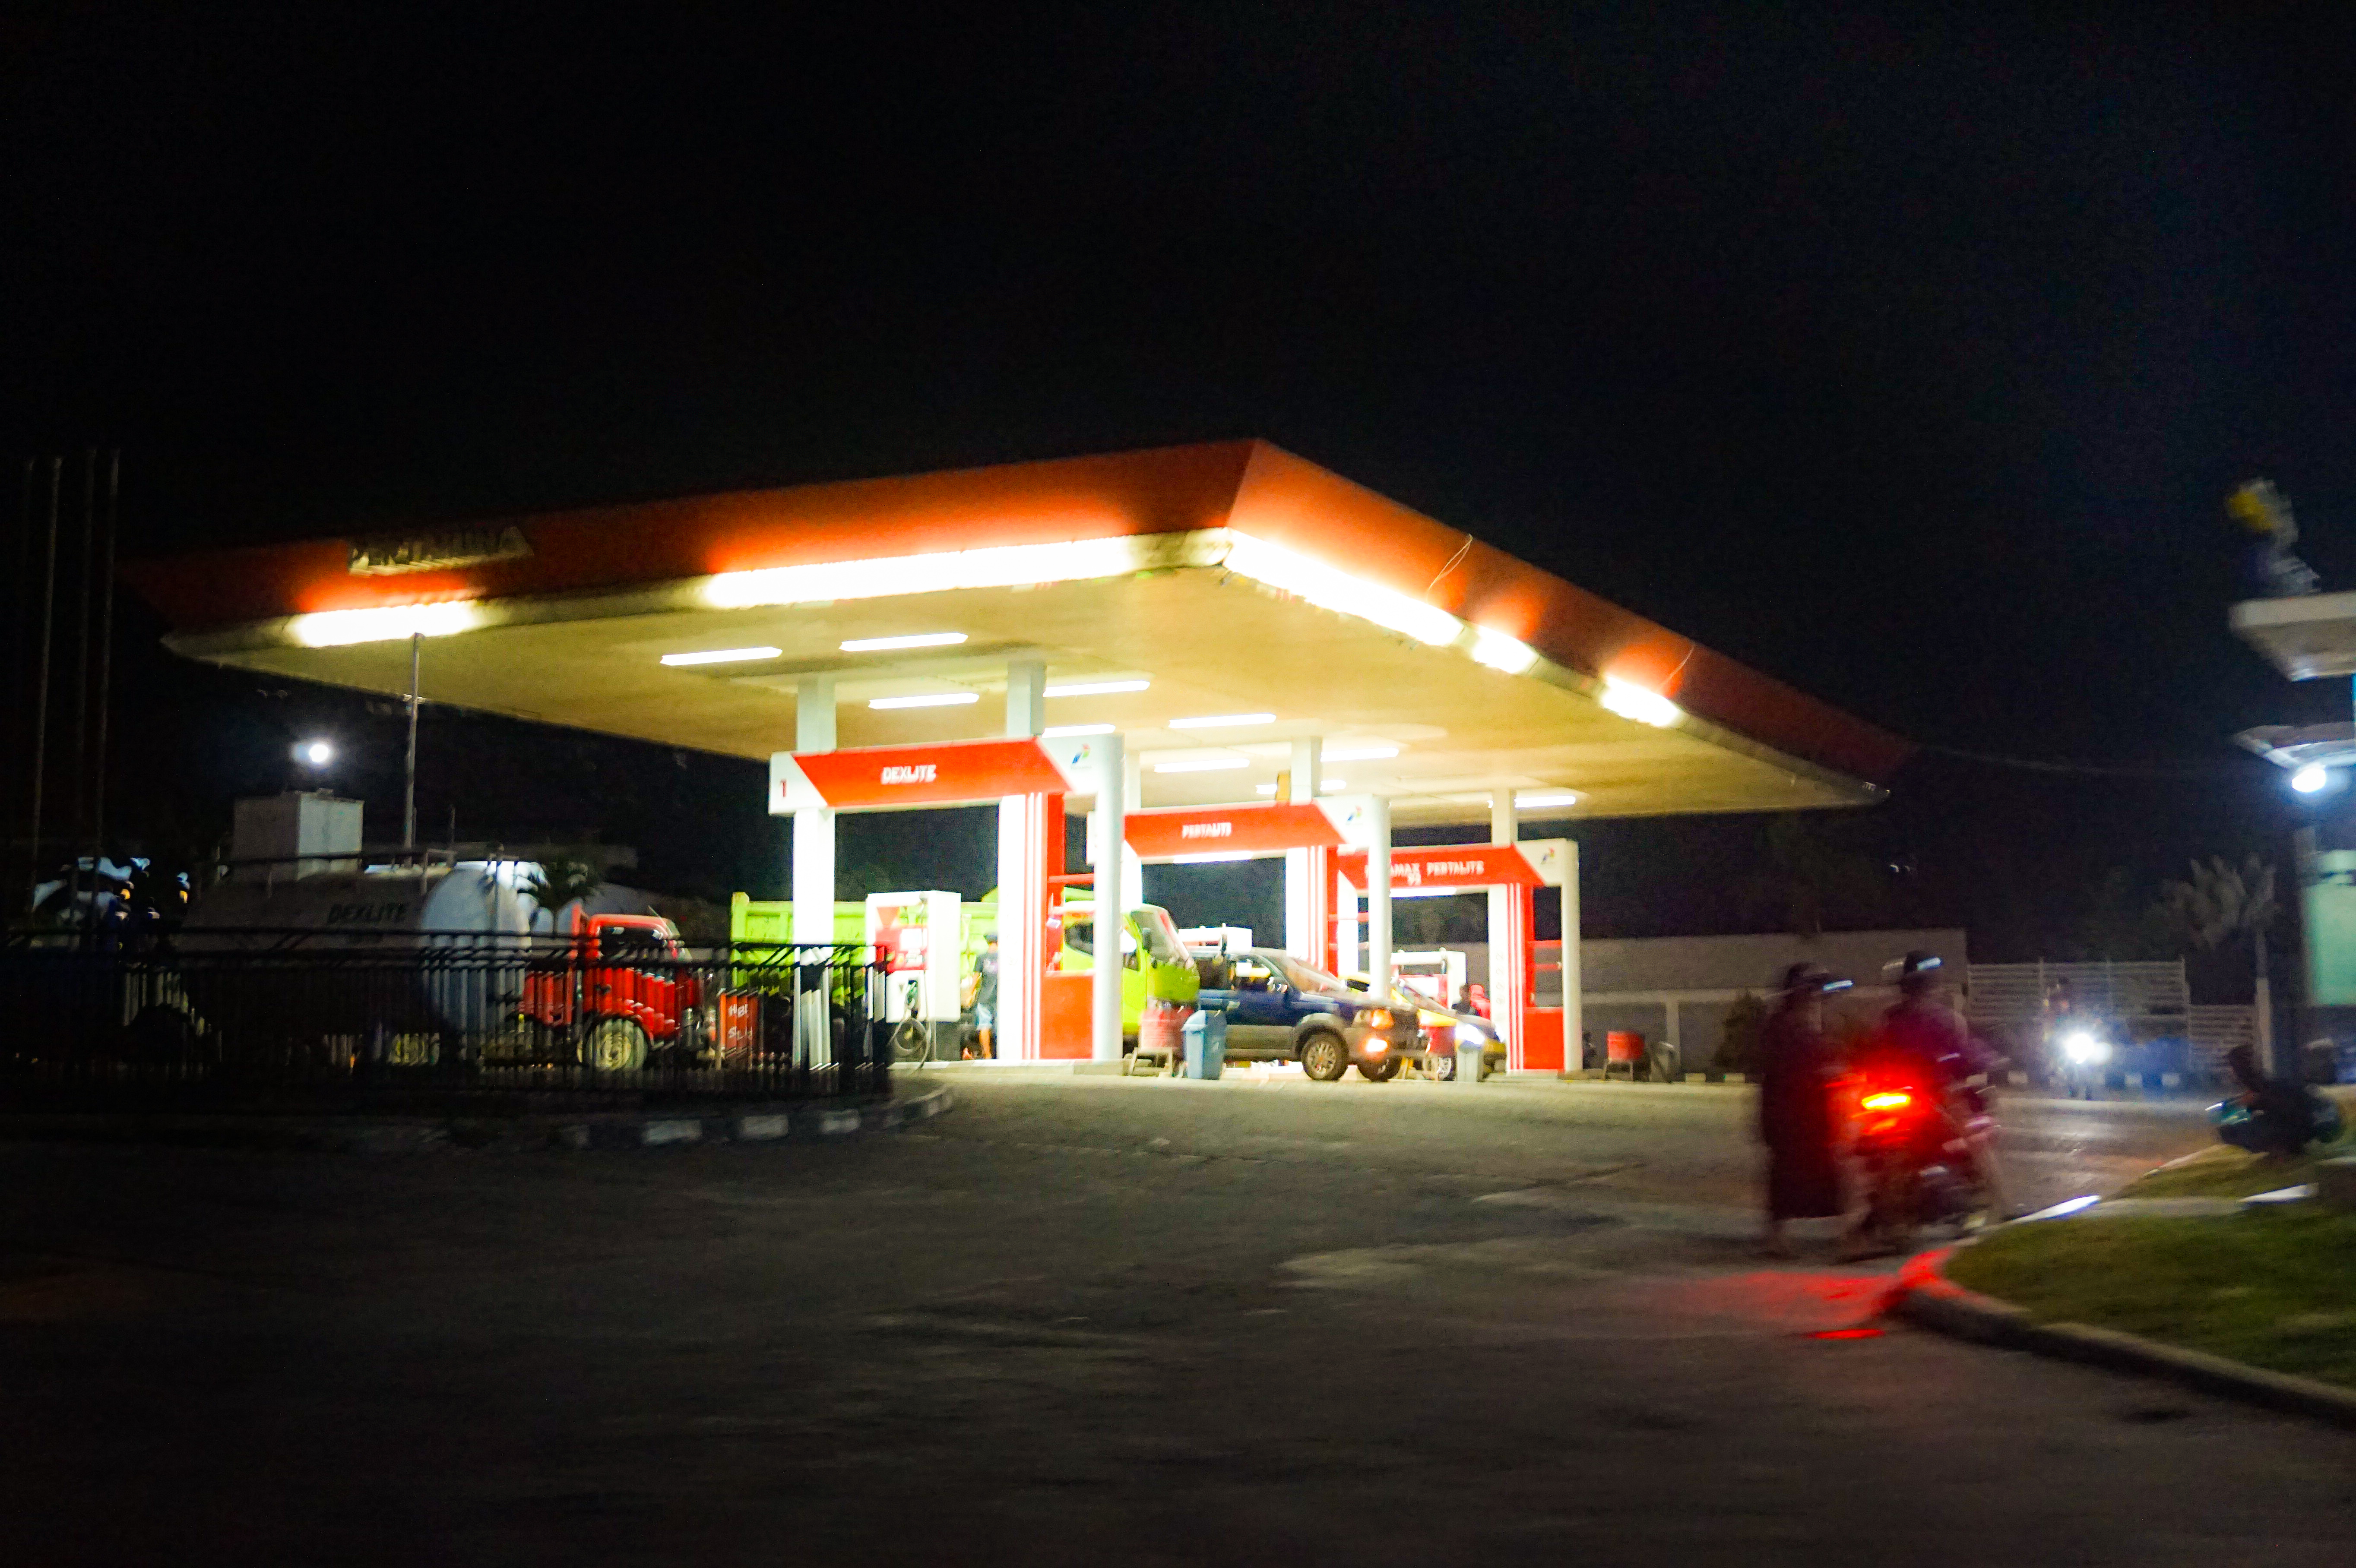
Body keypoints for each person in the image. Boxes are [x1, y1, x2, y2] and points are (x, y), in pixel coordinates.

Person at [1757, 963, 1850, 1258]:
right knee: (1791, 1174)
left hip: (1806, 1112)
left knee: (1821, 1172)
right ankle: (1779, 1239)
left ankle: (1845, 1235)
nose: (1818, 998)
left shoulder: (1805, 1022)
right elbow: (1808, 1060)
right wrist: (1831, 1069)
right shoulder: (1786, 1026)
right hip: (1791, 1114)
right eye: (1813, 992)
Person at [2218, 1044, 2317, 1159]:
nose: (2230, 1072)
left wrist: (2258, 1100)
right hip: (2294, 1123)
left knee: (2235, 1132)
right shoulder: (2260, 1081)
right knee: (2232, 1131)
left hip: (2296, 1126)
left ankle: (2285, 1153)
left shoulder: (2267, 1081)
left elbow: (2288, 1105)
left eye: (2232, 1067)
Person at [969, 933, 1001, 1060]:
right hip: (1000, 998)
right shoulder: (1003, 957)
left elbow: (976, 978)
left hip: (984, 998)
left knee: (984, 1025)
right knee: (1000, 1026)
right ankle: (1002, 1053)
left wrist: (971, 994)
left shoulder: (982, 957)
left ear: (988, 942)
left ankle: (987, 1054)